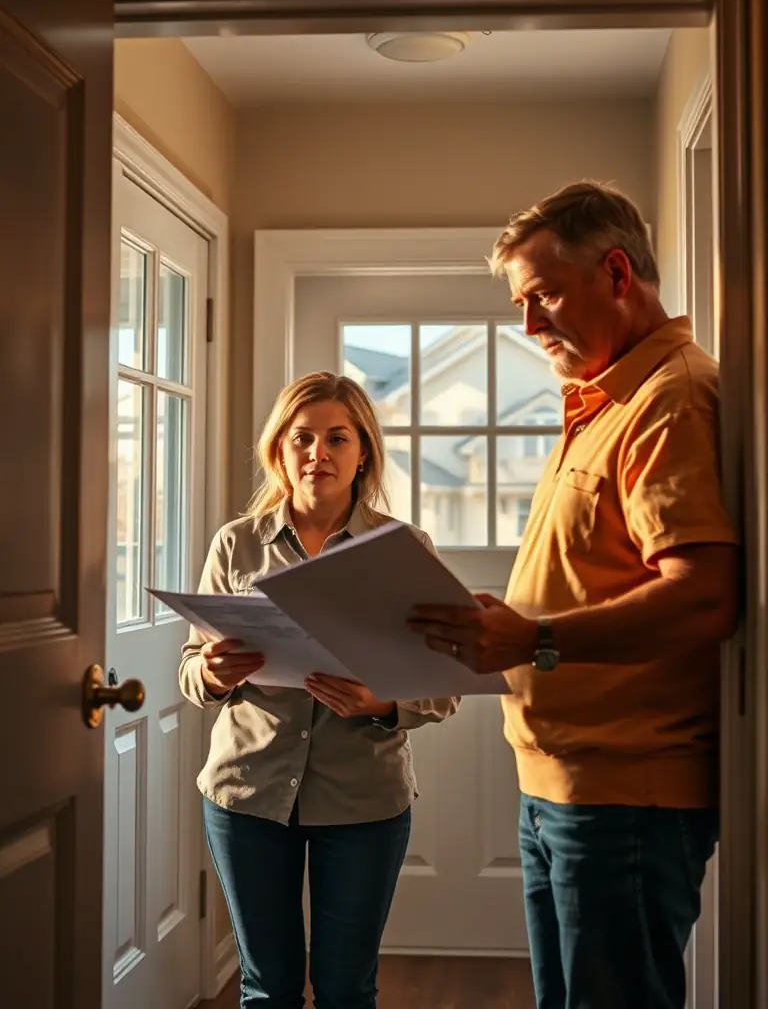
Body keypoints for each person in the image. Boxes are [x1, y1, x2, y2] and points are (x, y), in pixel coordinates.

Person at [408, 182, 739, 1009]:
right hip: (560, 782)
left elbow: (703, 596)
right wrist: (516, 619)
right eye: (521, 304)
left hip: (623, 797)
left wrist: (535, 639)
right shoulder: (601, 402)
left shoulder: (670, 399)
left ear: (617, 272)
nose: (529, 325)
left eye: (544, 295)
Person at [180, 371, 459, 1009]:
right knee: (266, 989)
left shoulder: (404, 548)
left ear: (363, 451)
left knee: (346, 990)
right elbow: (192, 669)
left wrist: (383, 702)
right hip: (244, 795)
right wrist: (212, 673)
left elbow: (445, 686)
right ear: (279, 449)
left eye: (337, 438)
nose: (318, 453)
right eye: (302, 438)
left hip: (364, 803)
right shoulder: (236, 543)